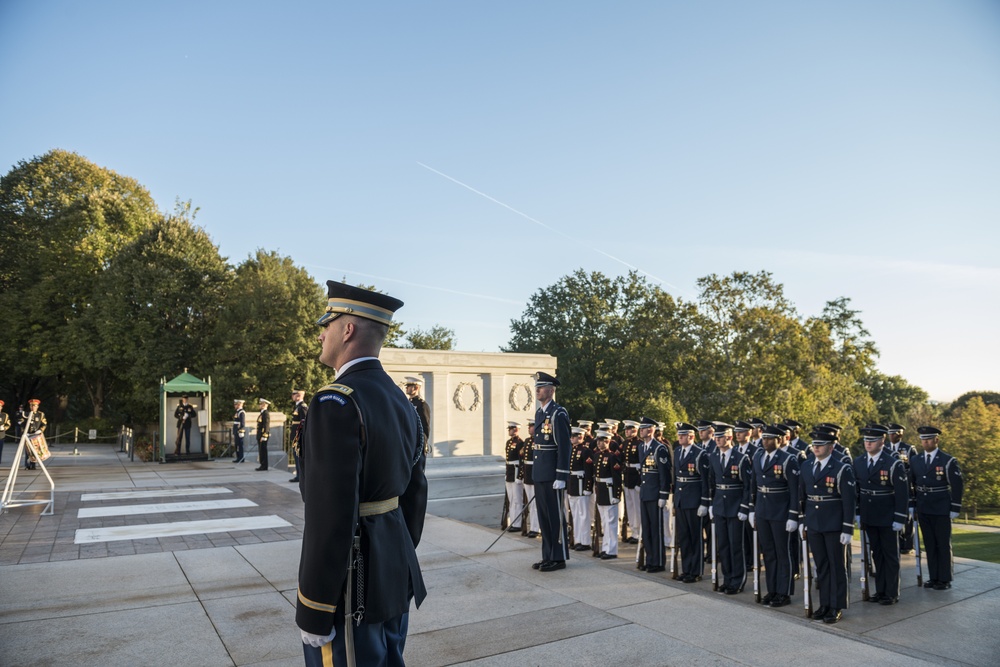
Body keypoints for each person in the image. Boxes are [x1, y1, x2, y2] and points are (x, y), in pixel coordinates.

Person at [296, 280, 427, 667]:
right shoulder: (401, 401)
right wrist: (395, 557)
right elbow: (415, 493)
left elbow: (329, 515)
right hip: (391, 570)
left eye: (328, 323)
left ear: (348, 329)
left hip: (351, 586)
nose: (322, 333)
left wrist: (315, 608)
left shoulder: (335, 401)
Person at [799, 430, 856, 624]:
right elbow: (803, 497)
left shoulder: (841, 468)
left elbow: (849, 501)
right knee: (821, 566)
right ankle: (824, 604)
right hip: (814, 522)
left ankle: (836, 605)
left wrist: (847, 528)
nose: (816, 447)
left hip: (834, 524)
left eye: (821, 444)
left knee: (836, 566)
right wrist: (802, 521)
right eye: (814, 444)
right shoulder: (807, 466)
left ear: (831, 447)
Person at [853, 425, 909, 605]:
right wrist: (858, 512)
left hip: (887, 515)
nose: (868, 444)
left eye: (872, 440)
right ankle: (880, 590)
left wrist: (900, 518)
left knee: (890, 555)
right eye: (866, 440)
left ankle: (891, 592)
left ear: (881, 441)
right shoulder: (859, 461)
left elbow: (902, 493)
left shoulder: (893, 463)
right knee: (877, 554)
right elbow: (857, 490)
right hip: (870, 514)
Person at [749, 424, 800, 608]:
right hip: (763, 510)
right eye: (764, 438)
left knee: (782, 553)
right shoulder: (758, 456)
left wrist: (794, 515)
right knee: (769, 553)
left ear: (779, 440)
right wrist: (752, 509)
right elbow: (753, 485)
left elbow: (795, 491)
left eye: (770, 439)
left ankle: (784, 591)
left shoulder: (788, 459)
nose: (765, 441)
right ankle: (772, 589)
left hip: (781, 512)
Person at [909, 425, 963, 590]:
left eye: (928, 439)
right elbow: (912, 483)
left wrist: (955, 507)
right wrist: (912, 504)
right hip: (924, 506)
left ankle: (944, 578)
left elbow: (957, 485)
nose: (925, 442)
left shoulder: (947, 461)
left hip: (941, 506)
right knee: (930, 544)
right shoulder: (916, 460)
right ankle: (934, 577)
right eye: (923, 439)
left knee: (942, 543)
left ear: (936, 440)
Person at [530, 371, 572, 572]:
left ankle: (559, 557)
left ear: (551, 390)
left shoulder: (558, 413)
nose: (537, 390)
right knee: (544, 517)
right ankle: (547, 555)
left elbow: (565, 447)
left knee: (555, 517)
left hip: (553, 474)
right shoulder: (540, 413)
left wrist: (561, 475)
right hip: (540, 473)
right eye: (537, 387)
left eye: (542, 387)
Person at [708, 423, 752, 594]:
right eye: (716, 437)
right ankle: (727, 578)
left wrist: (744, 507)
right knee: (723, 545)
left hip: (735, 506)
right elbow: (711, 483)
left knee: (736, 545)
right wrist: (711, 504)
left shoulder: (741, 458)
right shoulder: (713, 457)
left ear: (729, 437)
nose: (717, 440)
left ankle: (737, 580)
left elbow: (747, 486)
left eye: (721, 437)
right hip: (720, 505)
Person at [674, 421, 711, 582]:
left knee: (695, 537)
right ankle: (686, 569)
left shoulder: (700, 453)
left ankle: (695, 571)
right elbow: (676, 477)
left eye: (683, 435)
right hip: (681, 500)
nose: (680, 437)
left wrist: (704, 502)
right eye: (679, 435)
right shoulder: (677, 451)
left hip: (694, 500)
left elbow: (705, 480)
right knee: (684, 537)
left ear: (691, 436)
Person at [637, 417, 671, 573]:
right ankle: (650, 559)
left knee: (656, 530)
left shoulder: (659, 449)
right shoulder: (642, 447)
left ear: (650, 430)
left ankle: (658, 562)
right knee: (647, 529)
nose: (640, 431)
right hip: (645, 493)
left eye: (643, 428)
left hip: (655, 494)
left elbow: (665, 474)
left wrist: (663, 495)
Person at [886, 423, 916, 553]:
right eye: (890, 433)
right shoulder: (885, 448)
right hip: (889, 488)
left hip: (906, 487)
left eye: (894, 433)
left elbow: (914, 469)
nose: (891, 436)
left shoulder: (908, 449)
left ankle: (907, 544)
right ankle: (896, 541)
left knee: (907, 518)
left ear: (901, 434)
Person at [593, 430, 622, 559]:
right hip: (601, 490)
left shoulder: (612, 457)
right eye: (598, 441)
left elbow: (617, 478)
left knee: (611, 523)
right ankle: (605, 548)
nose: (599, 443)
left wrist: (616, 495)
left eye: (602, 441)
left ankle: (611, 550)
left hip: (610, 490)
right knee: (605, 522)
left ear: (608, 441)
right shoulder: (597, 455)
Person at [567, 427, 595, 551]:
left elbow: (589, 471)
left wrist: (587, 487)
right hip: (572, 485)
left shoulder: (586, 451)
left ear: (580, 437)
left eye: (573, 436)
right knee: (575, 515)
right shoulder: (571, 450)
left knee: (583, 515)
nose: (571, 438)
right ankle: (577, 539)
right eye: (571, 436)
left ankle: (585, 541)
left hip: (581, 484)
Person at [621, 420, 642, 544]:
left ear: (634, 430)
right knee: (630, 506)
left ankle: (639, 532)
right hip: (628, 476)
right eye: (626, 429)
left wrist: (640, 482)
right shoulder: (625, 443)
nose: (626, 432)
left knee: (637, 507)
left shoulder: (639, 443)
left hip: (636, 476)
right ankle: (633, 531)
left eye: (628, 429)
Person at [503, 421, 526, 532]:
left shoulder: (520, 443)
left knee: (517, 500)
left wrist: (520, 476)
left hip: (516, 473)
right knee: (511, 500)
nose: (509, 431)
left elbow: (522, 461)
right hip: (510, 473)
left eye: (511, 429)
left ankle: (517, 524)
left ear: (516, 430)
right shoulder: (508, 442)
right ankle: (512, 522)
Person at [522, 422, 539, 538]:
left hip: (535, 475)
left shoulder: (539, 440)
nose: (529, 428)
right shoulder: (527, 441)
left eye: (531, 426)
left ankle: (536, 528)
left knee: (536, 505)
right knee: (531, 504)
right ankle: (532, 527)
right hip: (528, 475)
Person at [20, 399, 47, 469]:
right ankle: (27, 464)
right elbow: (21, 424)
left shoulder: (40, 414)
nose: (33, 407)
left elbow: (44, 424)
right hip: (28, 434)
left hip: (36, 435)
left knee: (36, 449)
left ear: (37, 406)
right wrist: (24, 432)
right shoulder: (25, 414)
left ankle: (34, 464)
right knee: (28, 450)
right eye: (31, 406)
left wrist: (40, 430)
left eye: (35, 406)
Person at [404, 376, 431, 450]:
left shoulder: (422, 405)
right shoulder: (408, 403)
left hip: (416, 443)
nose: (406, 388)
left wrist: (423, 443)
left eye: (409, 386)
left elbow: (425, 426)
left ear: (416, 388)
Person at [289, 389, 308, 483]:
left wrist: (300, 437)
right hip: (296, 436)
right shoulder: (297, 407)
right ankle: (298, 475)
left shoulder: (302, 407)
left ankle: (300, 476)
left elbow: (304, 423)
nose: (292, 396)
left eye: (294, 394)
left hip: (299, 436)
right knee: (296, 457)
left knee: (298, 457)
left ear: (298, 396)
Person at [254, 399, 271, 471]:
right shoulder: (262, 413)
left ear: (265, 405)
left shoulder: (265, 413)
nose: (260, 405)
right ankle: (262, 464)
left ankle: (264, 466)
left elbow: (266, 425)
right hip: (260, 434)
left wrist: (264, 435)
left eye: (261, 404)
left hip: (263, 435)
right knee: (261, 450)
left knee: (263, 451)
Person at [0, 400, 10, 465]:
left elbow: (8, 424)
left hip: (1, 435)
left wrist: (4, 428)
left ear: (1, 407)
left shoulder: (4, 415)